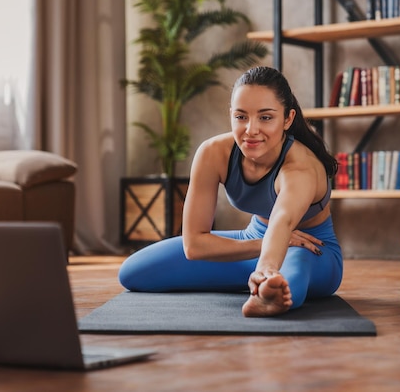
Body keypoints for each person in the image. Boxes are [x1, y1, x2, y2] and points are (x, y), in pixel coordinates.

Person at [119, 65, 343, 317]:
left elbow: (283, 222)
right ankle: (259, 282)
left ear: (287, 119)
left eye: (266, 117)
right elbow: (194, 245)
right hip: (252, 242)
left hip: (310, 251)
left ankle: (268, 289)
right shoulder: (213, 153)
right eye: (241, 116)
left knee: (290, 275)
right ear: (231, 115)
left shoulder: (300, 168)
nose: (251, 130)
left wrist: (266, 269)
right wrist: (261, 247)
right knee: (134, 271)